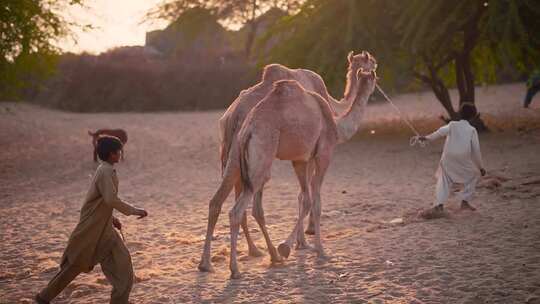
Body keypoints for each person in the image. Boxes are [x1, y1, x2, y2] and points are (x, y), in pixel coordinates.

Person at [35, 136, 148, 304]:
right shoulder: (105, 171)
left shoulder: (106, 169)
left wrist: (111, 218)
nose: (120, 153)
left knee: (123, 264)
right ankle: (43, 298)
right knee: (74, 266)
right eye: (118, 151)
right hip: (90, 229)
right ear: (111, 154)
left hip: (105, 229)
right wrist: (135, 210)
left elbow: (103, 202)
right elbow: (110, 199)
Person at [418, 103, 486, 219]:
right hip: (463, 158)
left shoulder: (452, 125)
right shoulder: (472, 130)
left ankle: (439, 205)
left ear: (459, 113)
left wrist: (427, 138)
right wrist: (481, 167)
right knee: (474, 174)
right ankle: (464, 201)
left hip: (448, 157)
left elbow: (439, 132)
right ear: (473, 116)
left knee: (444, 180)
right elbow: (476, 151)